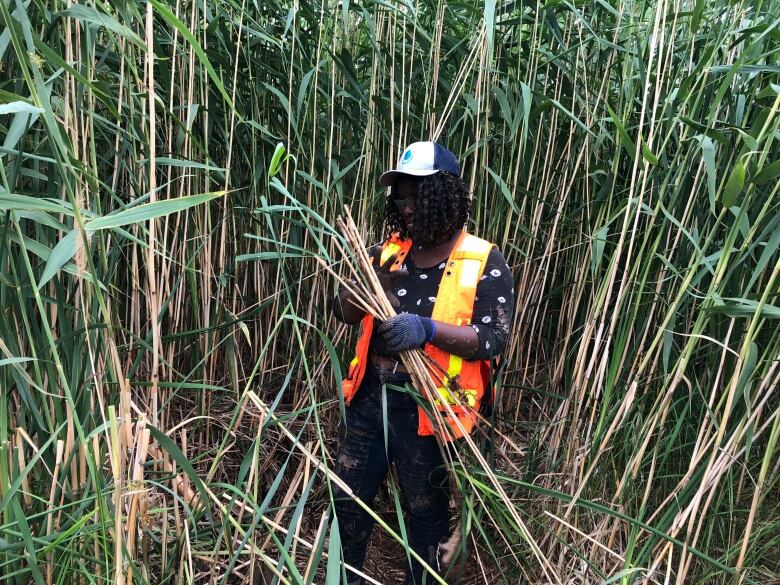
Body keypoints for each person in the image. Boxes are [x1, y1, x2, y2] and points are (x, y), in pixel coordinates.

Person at [331, 141, 514, 584]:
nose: (408, 206)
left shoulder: (483, 260)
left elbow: (493, 338)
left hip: (429, 408)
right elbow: (342, 311)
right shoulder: (389, 252)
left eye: (419, 194)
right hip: (371, 396)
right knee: (348, 501)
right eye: (401, 196)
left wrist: (427, 330)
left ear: (447, 195)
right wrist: (367, 287)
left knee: (424, 517)